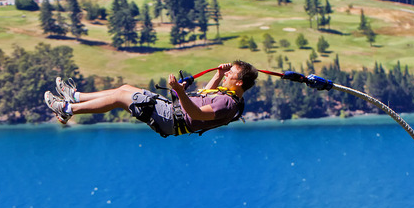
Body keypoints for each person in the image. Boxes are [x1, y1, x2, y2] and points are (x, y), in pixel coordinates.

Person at [44, 60, 259, 136]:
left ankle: (67, 109)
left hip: (171, 120)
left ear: (239, 82)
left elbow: (196, 113)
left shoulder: (227, 104)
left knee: (120, 97)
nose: (227, 74)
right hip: (171, 111)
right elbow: (204, 96)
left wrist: (179, 90)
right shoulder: (227, 96)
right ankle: (75, 96)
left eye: (231, 73)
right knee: (125, 88)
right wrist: (218, 74)